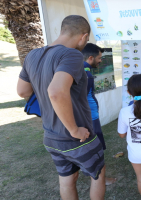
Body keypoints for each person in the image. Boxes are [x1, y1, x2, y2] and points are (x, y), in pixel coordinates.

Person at [16, 15, 106, 199]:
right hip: (77, 138)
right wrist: (74, 130)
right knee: (98, 175)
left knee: (67, 179)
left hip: (51, 137)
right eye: (86, 40)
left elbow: (22, 91)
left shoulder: (33, 54)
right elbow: (56, 92)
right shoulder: (71, 54)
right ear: (83, 36)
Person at [82, 43, 117, 186]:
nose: (101, 61)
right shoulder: (87, 75)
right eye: (99, 58)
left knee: (91, 149)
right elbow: (81, 100)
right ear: (91, 57)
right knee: (97, 150)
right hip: (91, 119)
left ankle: (96, 176)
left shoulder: (81, 70)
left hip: (89, 118)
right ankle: (101, 179)